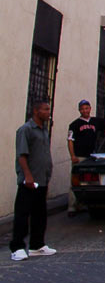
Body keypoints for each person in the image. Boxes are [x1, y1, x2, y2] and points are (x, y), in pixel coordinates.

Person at [10, 100, 56, 261]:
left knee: (40, 214)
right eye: (46, 109)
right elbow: (22, 155)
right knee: (23, 214)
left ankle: (37, 245)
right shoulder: (26, 130)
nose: (48, 112)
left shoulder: (43, 130)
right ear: (36, 111)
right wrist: (28, 176)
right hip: (29, 181)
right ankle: (17, 247)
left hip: (41, 180)